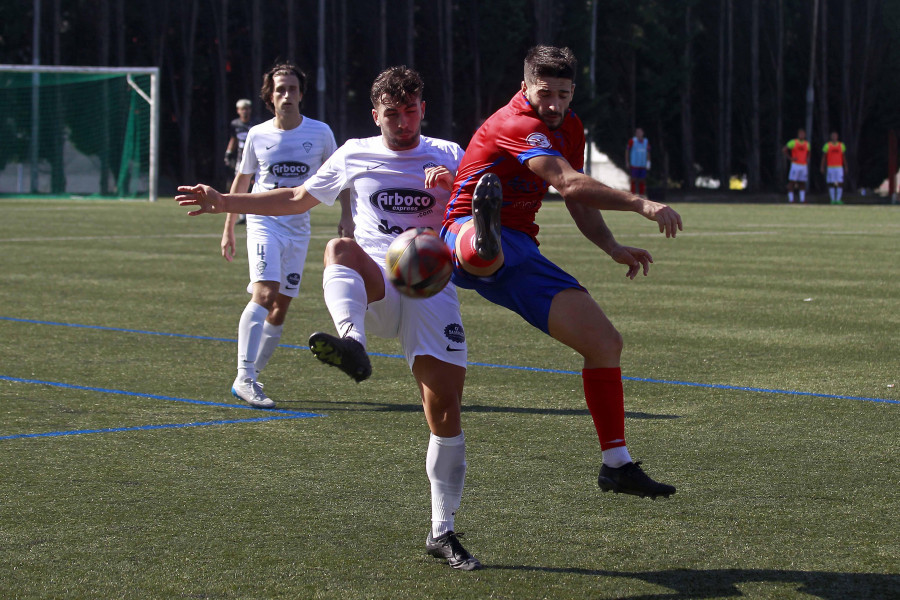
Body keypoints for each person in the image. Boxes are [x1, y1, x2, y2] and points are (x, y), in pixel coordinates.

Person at [177, 66, 481, 571]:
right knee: (340, 247)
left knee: (445, 412)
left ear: (422, 110)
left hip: (432, 288)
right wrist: (225, 203)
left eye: (410, 111)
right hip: (378, 282)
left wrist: (456, 190)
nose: (402, 122)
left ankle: (442, 530)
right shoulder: (355, 152)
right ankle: (351, 342)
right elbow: (297, 198)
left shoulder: (451, 154)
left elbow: (487, 221)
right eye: (391, 113)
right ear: (375, 114)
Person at [442, 45, 682, 500]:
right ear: (524, 87)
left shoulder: (571, 128)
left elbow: (577, 198)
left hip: (520, 249)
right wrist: (641, 202)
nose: (553, 104)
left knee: (605, 343)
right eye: (544, 93)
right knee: (481, 249)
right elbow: (566, 181)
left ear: (574, 93)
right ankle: (482, 239)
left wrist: (611, 245)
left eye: (563, 94)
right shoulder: (515, 122)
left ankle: (616, 465)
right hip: (458, 231)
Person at [222, 62, 337, 409]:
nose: (286, 95)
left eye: (292, 89)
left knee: (281, 305)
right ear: (270, 97)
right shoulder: (257, 134)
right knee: (265, 291)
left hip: (298, 226)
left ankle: (252, 374)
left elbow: (339, 177)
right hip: (263, 221)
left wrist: (347, 216)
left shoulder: (320, 133)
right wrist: (228, 226)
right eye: (279, 90)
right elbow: (242, 182)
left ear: (301, 94)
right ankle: (244, 377)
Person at [225, 98, 254, 225]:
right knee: (240, 187)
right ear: (238, 111)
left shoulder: (255, 124)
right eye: (242, 109)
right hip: (240, 160)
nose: (245, 112)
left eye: (247, 109)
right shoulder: (235, 124)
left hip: (254, 160)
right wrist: (228, 152)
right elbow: (233, 139)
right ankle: (243, 215)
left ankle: (255, 213)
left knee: (253, 187)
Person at [783, 128, 810, 203]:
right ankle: (791, 200)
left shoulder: (807, 144)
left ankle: (802, 200)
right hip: (795, 165)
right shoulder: (793, 142)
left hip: (804, 165)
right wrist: (790, 158)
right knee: (792, 182)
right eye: (800, 133)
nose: (802, 135)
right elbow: (784, 149)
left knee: (802, 182)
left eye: (803, 134)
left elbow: (808, 153)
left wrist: (807, 158)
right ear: (798, 135)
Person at [821, 131, 846, 205]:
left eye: (835, 136)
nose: (834, 137)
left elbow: (843, 157)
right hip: (830, 167)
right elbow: (824, 157)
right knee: (831, 183)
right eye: (833, 136)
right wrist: (822, 166)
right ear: (831, 137)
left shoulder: (841, 145)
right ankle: (832, 199)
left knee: (840, 183)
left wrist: (846, 166)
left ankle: (838, 199)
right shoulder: (827, 145)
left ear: (837, 137)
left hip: (839, 167)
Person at [625, 127, 651, 197]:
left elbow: (648, 152)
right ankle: (632, 194)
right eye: (637, 132)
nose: (639, 134)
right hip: (634, 164)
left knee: (642, 180)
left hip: (643, 164)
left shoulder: (646, 142)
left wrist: (648, 162)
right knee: (633, 179)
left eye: (640, 132)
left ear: (643, 133)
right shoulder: (632, 141)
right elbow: (627, 151)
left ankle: (641, 194)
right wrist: (627, 161)